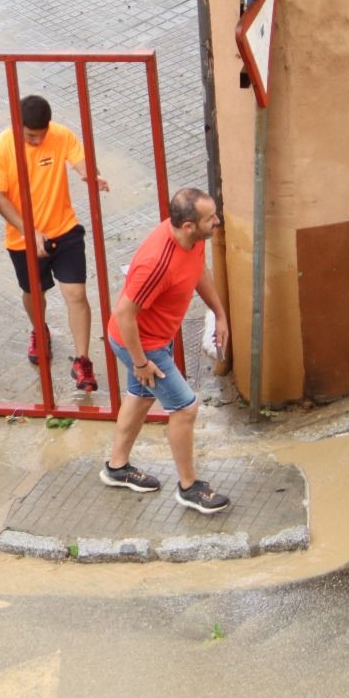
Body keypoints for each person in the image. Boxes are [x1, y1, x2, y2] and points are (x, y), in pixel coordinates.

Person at [98, 187, 232, 514]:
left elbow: (198, 269)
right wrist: (141, 362)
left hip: (157, 335)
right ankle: (189, 487)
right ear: (188, 226)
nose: (217, 221)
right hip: (141, 344)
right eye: (210, 218)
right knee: (185, 409)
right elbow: (124, 314)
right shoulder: (157, 261)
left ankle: (116, 468)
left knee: (141, 397)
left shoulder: (193, 240)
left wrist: (219, 313)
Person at [0, 94, 108, 391]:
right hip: (23, 238)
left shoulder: (59, 135)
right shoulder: (0, 148)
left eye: (41, 135)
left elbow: (80, 161)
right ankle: (40, 329)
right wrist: (29, 231)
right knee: (34, 292)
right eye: (30, 136)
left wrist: (93, 176)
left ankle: (82, 360)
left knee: (76, 294)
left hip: (64, 230)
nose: (37, 141)